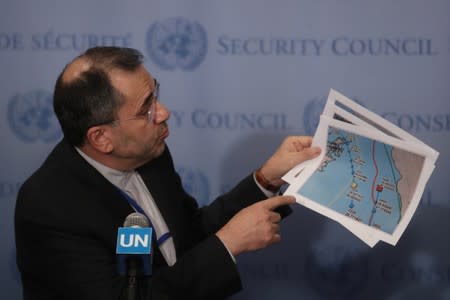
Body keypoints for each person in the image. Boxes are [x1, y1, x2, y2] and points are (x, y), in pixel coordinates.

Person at [14, 46, 321, 300]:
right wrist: (228, 243)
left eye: (155, 95)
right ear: (101, 139)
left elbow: (186, 235)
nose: (163, 113)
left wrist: (267, 179)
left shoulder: (150, 154)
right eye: (146, 108)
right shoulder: (49, 208)